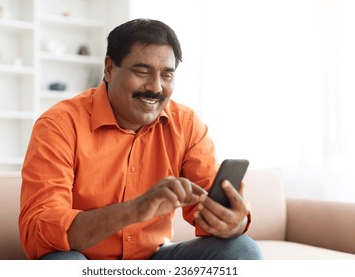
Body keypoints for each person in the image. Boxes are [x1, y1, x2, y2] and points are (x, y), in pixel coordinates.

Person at [19, 18, 262, 260]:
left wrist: (233, 222)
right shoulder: (59, 124)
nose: (155, 88)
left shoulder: (186, 124)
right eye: (142, 71)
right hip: (84, 260)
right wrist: (135, 210)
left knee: (242, 250)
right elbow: (39, 231)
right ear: (109, 68)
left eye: (167, 75)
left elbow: (207, 213)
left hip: (154, 261)